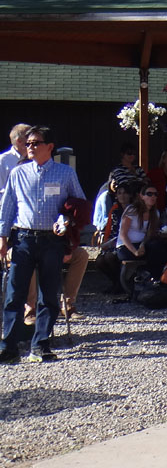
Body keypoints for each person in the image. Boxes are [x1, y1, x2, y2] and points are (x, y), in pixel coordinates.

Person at [1, 126, 86, 363]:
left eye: (35, 143)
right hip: (24, 239)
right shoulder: (18, 173)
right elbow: (7, 208)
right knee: (14, 295)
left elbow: (79, 205)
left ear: (49, 147)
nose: (30, 147)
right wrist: (2, 239)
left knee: (48, 296)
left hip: (52, 240)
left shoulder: (65, 173)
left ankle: (40, 345)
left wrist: (68, 222)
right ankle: (8, 347)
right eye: (28, 143)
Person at [117, 183, 167, 280]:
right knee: (155, 251)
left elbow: (149, 234)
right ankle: (148, 278)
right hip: (126, 246)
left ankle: (158, 279)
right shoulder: (132, 210)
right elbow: (123, 234)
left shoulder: (155, 213)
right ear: (142, 196)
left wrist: (142, 245)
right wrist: (135, 251)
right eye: (149, 194)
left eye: (155, 194)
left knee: (160, 248)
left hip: (142, 244)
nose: (153, 197)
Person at [0, 124, 31, 192]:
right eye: (29, 138)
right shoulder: (3, 160)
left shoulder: (35, 158)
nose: (33, 141)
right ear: (19, 141)